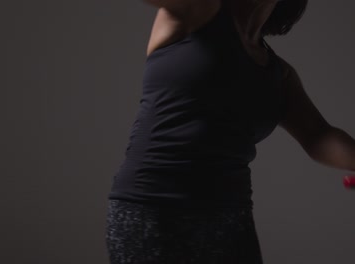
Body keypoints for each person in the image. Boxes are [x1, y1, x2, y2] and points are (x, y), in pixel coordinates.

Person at [105, 0, 355, 263]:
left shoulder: (279, 74)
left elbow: (318, 135)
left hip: (229, 219)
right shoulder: (198, 10)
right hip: (152, 211)